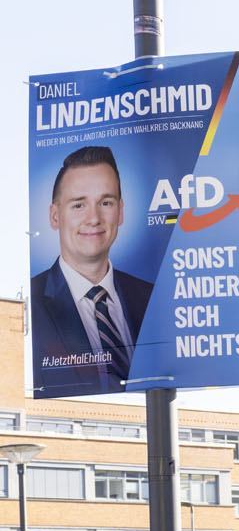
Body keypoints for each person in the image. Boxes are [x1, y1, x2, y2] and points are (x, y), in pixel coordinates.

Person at [31, 146, 153, 396]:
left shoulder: (152, 298)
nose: (94, 218)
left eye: (105, 202)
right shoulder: (31, 303)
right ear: (55, 217)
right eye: (78, 205)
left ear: (120, 211)